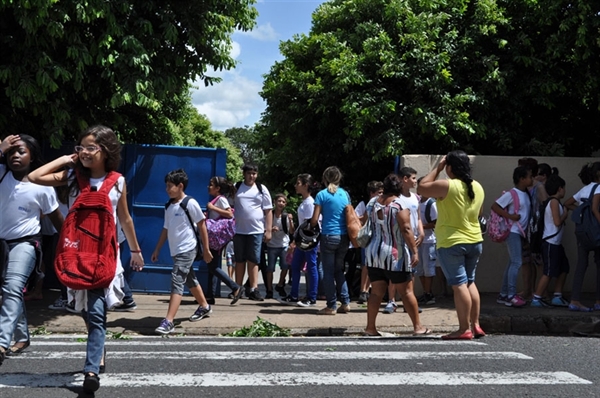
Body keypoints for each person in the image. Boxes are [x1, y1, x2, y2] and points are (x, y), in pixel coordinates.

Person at [28, 125, 144, 393]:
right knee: (84, 309)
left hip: (104, 256)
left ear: (106, 150)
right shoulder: (71, 177)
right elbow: (35, 176)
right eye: (81, 148)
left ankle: (91, 369)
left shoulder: (118, 181)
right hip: (76, 254)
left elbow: (125, 219)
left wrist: (136, 252)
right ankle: (98, 345)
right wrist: (66, 159)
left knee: (95, 310)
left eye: (90, 147)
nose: (84, 153)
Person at [0, 134, 64, 365]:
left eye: (21, 151)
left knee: (12, 286)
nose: (15, 155)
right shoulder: (2, 174)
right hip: (1, 244)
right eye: (11, 152)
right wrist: (0, 148)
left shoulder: (41, 186)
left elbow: (57, 219)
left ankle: (1, 342)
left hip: (26, 243)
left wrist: (69, 245)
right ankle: (23, 336)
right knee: (10, 292)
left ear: (33, 156)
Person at [418, 150, 485, 340]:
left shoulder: (447, 185)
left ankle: (463, 328)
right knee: (470, 282)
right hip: (475, 240)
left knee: (459, 285)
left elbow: (422, 188)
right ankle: (476, 325)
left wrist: (437, 168)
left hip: (452, 242)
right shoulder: (477, 186)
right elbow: (479, 213)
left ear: (450, 167)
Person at [364, 174, 430, 336]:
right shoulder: (399, 205)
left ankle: (370, 328)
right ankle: (418, 327)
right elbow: (406, 229)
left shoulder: (372, 203)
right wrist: (415, 251)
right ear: (399, 188)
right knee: (407, 291)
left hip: (374, 253)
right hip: (395, 254)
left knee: (377, 292)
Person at [151, 169, 214, 334]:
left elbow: (202, 225)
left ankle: (169, 321)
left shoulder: (189, 203)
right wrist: (157, 248)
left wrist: (206, 249)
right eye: (166, 185)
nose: (167, 189)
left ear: (180, 186)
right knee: (190, 279)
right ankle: (205, 306)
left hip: (188, 248)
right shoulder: (168, 206)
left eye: (170, 186)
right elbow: (165, 229)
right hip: (176, 250)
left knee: (177, 279)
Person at [310, 166, 351, 315]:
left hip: (328, 236)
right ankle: (345, 302)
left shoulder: (321, 195)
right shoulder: (345, 194)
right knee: (339, 270)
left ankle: (331, 305)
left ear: (325, 178)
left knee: (327, 272)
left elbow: (314, 220)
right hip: (344, 237)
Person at [492, 166, 533, 308]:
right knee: (516, 262)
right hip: (513, 232)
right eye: (529, 176)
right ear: (522, 179)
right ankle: (511, 295)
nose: (531, 179)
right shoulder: (512, 193)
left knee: (512, 263)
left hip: (520, 233)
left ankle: (504, 294)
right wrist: (510, 217)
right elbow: (495, 206)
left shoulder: (526, 193)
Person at [384, 167, 424, 314]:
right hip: (398, 240)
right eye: (413, 178)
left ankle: (409, 302)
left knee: (411, 272)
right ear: (405, 179)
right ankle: (391, 301)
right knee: (395, 271)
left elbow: (418, 217)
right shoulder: (397, 198)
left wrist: (421, 233)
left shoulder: (415, 197)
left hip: (413, 239)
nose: (415, 181)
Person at [233, 164, 273, 301]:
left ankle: (254, 289)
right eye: (249, 173)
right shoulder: (237, 187)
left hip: (256, 230)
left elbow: (268, 210)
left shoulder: (261, 189)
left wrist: (268, 230)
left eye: (254, 173)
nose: (252, 176)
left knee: (254, 260)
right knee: (239, 260)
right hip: (238, 230)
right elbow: (228, 205)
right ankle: (237, 289)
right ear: (244, 173)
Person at [564, 162, 600, 312]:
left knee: (581, 265)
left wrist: (580, 211)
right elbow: (595, 209)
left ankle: (575, 300)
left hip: (582, 232)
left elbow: (567, 203)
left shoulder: (584, 189)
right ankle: (598, 301)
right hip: (596, 232)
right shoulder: (599, 188)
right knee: (599, 265)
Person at [530, 175, 570, 307]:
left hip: (556, 243)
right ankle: (537, 298)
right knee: (548, 272)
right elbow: (557, 221)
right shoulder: (553, 202)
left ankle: (557, 295)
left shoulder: (554, 202)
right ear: (559, 189)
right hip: (550, 243)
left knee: (564, 267)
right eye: (564, 188)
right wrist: (565, 214)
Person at [281, 174, 319, 306]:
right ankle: (294, 295)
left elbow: (309, 225)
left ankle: (312, 297)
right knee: (296, 266)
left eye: (298, 183)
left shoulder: (309, 203)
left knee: (311, 267)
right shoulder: (305, 202)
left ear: (305, 185)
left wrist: (296, 241)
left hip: (308, 240)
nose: (295, 185)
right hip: (302, 241)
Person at [205, 176, 243, 305]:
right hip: (214, 237)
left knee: (213, 266)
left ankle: (235, 287)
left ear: (217, 188)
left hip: (215, 238)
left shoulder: (221, 199)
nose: (208, 187)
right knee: (211, 266)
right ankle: (209, 296)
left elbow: (229, 214)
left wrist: (212, 208)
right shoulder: (216, 199)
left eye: (211, 185)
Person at [353, 181, 382, 304]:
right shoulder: (364, 204)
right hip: (368, 237)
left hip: (380, 238)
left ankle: (372, 290)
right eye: (379, 192)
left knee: (376, 264)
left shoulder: (384, 203)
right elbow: (355, 218)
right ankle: (363, 290)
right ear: (371, 193)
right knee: (366, 264)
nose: (381, 195)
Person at [266, 193, 294, 299]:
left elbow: (291, 231)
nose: (281, 203)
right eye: (279, 201)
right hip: (272, 245)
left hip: (283, 245)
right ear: (274, 202)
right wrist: (270, 229)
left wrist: (291, 221)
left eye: (283, 202)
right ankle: (269, 289)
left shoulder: (286, 216)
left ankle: (280, 284)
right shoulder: (270, 215)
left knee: (285, 266)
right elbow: (264, 228)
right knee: (270, 268)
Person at [416, 176, 438, 305]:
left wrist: (420, 227)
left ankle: (429, 293)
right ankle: (425, 292)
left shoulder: (432, 203)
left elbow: (435, 222)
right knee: (419, 268)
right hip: (419, 240)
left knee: (428, 268)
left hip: (429, 240)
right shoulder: (417, 202)